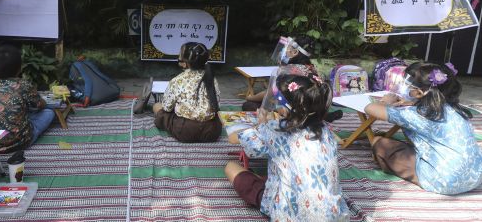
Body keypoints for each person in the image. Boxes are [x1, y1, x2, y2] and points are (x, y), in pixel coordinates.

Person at [225, 74, 349, 221]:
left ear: (285, 109)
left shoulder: (274, 130)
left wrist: (261, 124)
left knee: (231, 167)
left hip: (287, 214)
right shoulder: (326, 131)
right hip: (332, 214)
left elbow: (236, 139)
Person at [364, 62, 482, 195]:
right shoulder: (455, 109)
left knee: (379, 143)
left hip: (445, 181)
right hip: (475, 177)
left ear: (420, 93)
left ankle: (423, 175)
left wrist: (386, 102)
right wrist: (411, 103)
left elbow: (369, 108)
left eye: (408, 85)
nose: (404, 88)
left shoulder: (417, 114)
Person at [0, 44, 55, 154]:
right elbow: (40, 105)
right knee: (49, 113)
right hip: (20, 142)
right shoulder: (23, 85)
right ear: (19, 69)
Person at [151, 42, 222, 143]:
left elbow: (167, 107)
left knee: (157, 107)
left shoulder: (177, 80)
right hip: (212, 131)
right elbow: (217, 104)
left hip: (185, 131)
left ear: (185, 62)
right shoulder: (212, 78)